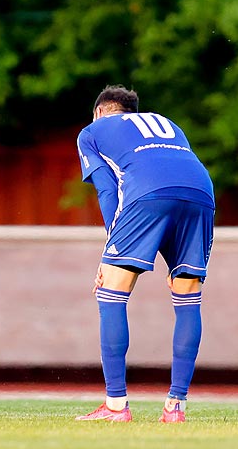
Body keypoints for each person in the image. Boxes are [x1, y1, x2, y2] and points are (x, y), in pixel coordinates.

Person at [75, 86, 216, 423]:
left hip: (148, 193)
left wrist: (110, 250)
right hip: (201, 193)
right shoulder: (168, 124)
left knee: (112, 293)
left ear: (99, 112)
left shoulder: (91, 132)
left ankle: (116, 405)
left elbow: (109, 189)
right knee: (188, 296)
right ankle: (175, 408)